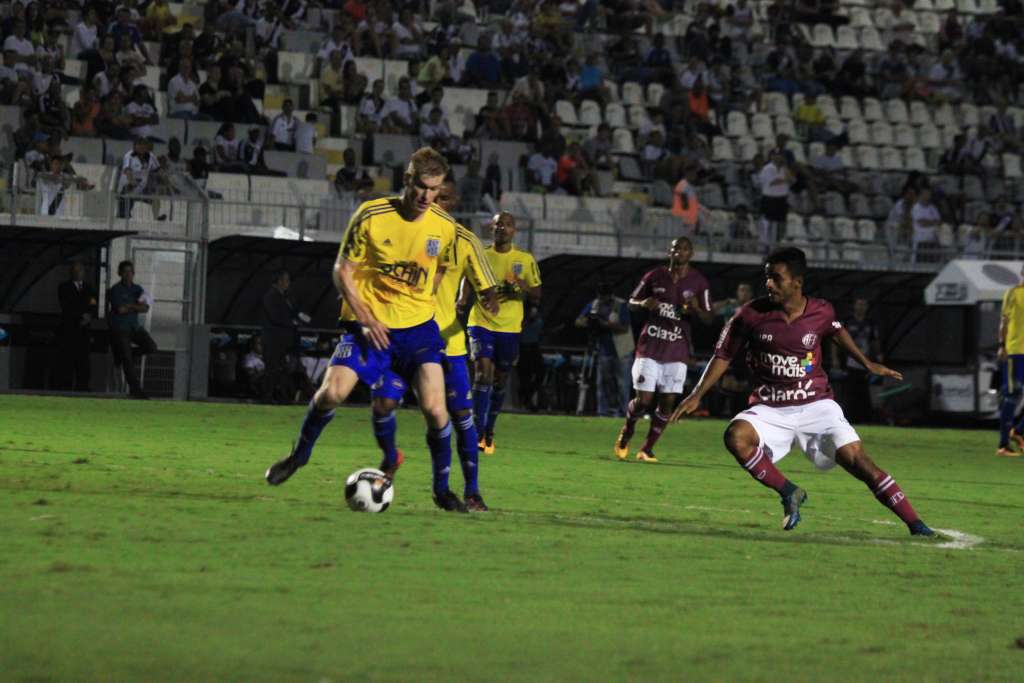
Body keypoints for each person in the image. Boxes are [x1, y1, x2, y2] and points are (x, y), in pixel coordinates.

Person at [670, 247, 934, 537]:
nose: (769, 283)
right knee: (736, 436)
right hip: (770, 408)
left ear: (797, 282)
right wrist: (697, 394)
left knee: (859, 462)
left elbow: (836, 331)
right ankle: (789, 492)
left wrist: (867, 362)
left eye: (776, 278)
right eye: (767, 277)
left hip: (816, 405)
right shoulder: (750, 314)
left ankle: (916, 525)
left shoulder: (821, 311)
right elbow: (723, 355)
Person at [265, 147, 465, 513]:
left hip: (418, 331)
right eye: (421, 186)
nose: (426, 196)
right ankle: (299, 456)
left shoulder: (444, 227)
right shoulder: (372, 215)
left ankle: (441, 489)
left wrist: (419, 302)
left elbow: (439, 271)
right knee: (332, 392)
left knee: (437, 410)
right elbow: (342, 270)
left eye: (434, 189)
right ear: (408, 181)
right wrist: (367, 317)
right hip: (369, 328)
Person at [432, 178, 500, 510]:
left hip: (448, 344)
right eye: (431, 194)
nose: (435, 202)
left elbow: (485, 284)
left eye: (443, 197)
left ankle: (471, 491)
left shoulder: (465, 241)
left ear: (454, 202)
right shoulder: (403, 231)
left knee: (461, 417)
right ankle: (388, 468)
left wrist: (489, 297)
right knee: (383, 405)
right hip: (403, 339)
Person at [614, 237, 713, 462]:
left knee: (667, 402)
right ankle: (628, 429)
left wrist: (696, 310)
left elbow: (709, 318)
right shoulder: (654, 276)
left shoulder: (699, 282)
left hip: (677, 350)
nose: (680, 252)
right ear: (670, 251)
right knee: (644, 400)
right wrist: (642, 304)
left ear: (692, 254)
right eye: (677, 247)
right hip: (649, 347)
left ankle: (646, 449)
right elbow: (630, 302)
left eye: (686, 248)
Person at [465, 212, 542, 455]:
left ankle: (489, 429)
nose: (502, 228)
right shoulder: (482, 255)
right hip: (481, 322)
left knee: (500, 380)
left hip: (509, 327)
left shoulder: (524, 259)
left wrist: (522, 287)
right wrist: (462, 299)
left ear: (514, 230)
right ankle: (476, 432)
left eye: (507, 224)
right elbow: (468, 278)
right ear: (492, 229)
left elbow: (537, 294)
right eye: (498, 224)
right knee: (482, 373)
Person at [574, 282, 633, 416]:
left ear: (611, 296)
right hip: (603, 350)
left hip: (622, 350)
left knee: (622, 384)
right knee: (603, 383)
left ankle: (623, 411)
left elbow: (624, 327)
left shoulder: (620, 304)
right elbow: (578, 321)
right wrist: (589, 321)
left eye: (605, 298)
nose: (602, 300)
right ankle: (603, 411)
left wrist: (606, 324)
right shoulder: (594, 304)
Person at [106, 260, 157, 399]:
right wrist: (135, 305)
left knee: (151, 347)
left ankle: (126, 354)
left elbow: (146, 308)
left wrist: (131, 306)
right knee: (127, 361)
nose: (128, 274)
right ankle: (136, 391)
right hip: (120, 328)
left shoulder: (137, 289)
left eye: (131, 272)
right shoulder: (115, 290)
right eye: (125, 272)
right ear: (120, 273)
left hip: (134, 327)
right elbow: (120, 309)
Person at [830, 297, 882, 424]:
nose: (861, 307)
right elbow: (835, 339)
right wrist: (835, 358)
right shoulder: (847, 322)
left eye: (864, 304)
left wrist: (879, 357)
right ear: (854, 306)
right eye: (859, 304)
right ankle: (848, 418)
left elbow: (875, 342)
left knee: (864, 392)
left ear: (867, 307)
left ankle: (865, 419)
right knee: (849, 391)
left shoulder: (871, 324)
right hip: (849, 362)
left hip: (865, 363)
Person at [260, 271, 301, 404]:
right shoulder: (271, 296)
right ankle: (267, 397)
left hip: (282, 341)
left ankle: (283, 397)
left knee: (283, 369)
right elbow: (275, 316)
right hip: (273, 339)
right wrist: (291, 322)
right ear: (278, 281)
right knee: (272, 368)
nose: (288, 283)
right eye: (286, 280)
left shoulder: (285, 297)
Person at [996, 265, 1024, 457]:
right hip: (1016, 351)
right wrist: (1002, 345)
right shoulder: (1013, 294)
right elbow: (1004, 322)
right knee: (1013, 395)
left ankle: (1019, 431)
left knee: (1014, 395)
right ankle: (1003, 445)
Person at [55, 261, 96, 391]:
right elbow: (67, 305)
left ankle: (83, 386)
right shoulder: (64, 287)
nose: (77, 273)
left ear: (84, 272)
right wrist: (81, 315)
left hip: (84, 331)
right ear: (70, 272)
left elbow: (93, 303)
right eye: (75, 270)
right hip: (69, 329)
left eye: (79, 270)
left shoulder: (90, 288)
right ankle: (65, 387)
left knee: (83, 360)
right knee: (68, 359)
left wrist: (89, 315)